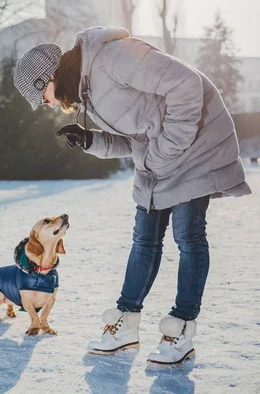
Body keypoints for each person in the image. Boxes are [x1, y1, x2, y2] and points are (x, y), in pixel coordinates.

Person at [13, 26, 251, 365]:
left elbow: (187, 85)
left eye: (43, 96)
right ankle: (125, 323)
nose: (48, 104)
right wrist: (92, 140)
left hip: (198, 143)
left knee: (188, 236)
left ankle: (181, 328)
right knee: (144, 240)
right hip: (160, 157)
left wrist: (165, 150)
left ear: (48, 76)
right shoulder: (89, 93)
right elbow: (135, 137)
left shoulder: (112, 57)